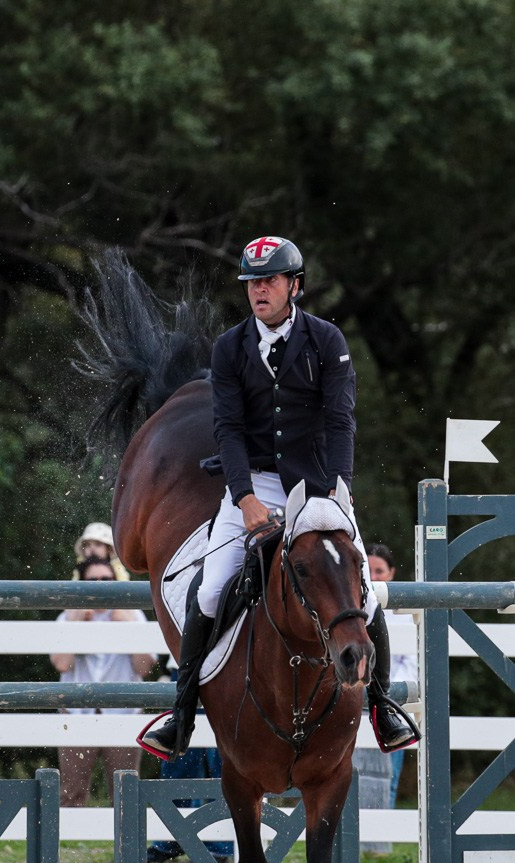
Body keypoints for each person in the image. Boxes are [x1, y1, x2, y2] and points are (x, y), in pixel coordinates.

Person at [143, 234, 419, 762]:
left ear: (294, 285)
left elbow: (340, 420)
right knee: (209, 589)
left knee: (365, 590)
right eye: (251, 282)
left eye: (268, 281)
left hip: (316, 483)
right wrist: (244, 497)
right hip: (255, 482)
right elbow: (227, 427)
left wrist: (341, 489)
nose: (258, 291)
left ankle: (382, 706)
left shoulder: (326, 339)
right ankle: (181, 714)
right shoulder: (230, 347)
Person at [50, 555, 156, 806]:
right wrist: (76, 622)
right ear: (82, 583)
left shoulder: (132, 615)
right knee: (70, 792)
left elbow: (144, 667)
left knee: (125, 793)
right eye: (93, 580)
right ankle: (66, 845)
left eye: (106, 579)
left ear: (115, 580)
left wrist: (128, 627)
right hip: (76, 713)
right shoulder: (68, 617)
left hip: (124, 713)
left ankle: (125, 846)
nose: (100, 584)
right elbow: (62, 663)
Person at [146, 657, 234, 863]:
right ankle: (170, 839)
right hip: (184, 669)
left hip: (228, 668)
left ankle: (219, 843)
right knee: (178, 765)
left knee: (221, 762)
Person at [367, 542, 419, 807]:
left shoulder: (404, 615)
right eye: (369, 570)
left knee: (390, 774)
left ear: (391, 573)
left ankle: (380, 844)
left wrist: (385, 691)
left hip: (387, 696)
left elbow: (410, 663)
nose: (374, 577)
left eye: (380, 571)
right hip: (356, 692)